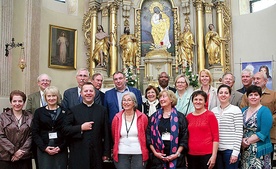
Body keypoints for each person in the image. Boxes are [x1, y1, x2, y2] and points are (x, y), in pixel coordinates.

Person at [62, 82, 110, 169]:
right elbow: (65, 129)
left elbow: (106, 132)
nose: (88, 93)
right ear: (81, 93)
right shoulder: (73, 110)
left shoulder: (102, 110)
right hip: (78, 152)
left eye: (91, 91)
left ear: (95, 93)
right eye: (86, 91)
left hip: (96, 152)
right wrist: (80, 127)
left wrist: (106, 152)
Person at [240, 72, 276, 167]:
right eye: (250, 95)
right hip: (245, 150)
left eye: (256, 95)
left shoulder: (265, 111)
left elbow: (264, 132)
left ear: (260, 97)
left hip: (259, 149)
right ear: (247, 97)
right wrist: (242, 141)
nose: (253, 97)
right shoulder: (243, 111)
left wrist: (248, 141)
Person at [146, 90, 188, 169]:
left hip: (177, 159)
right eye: (160, 97)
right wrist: (155, 153)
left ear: (171, 99)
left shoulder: (180, 117)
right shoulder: (153, 117)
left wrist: (176, 154)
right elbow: (148, 136)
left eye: (164, 96)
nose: (161, 99)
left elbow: (184, 138)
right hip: (157, 160)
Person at [32, 86, 68, 169]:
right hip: (44, 149)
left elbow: (68, 132)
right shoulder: (39, 112)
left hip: (60, 149)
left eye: (54, 95)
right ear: (45, 97)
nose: (51, 98)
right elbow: (35, 132)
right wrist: (44, 148)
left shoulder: (65, 112)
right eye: (49, 96)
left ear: (57, 97)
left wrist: (61, 147)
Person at [112, 92, 149, 169]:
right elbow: (114, 135)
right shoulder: (117, 118)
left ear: (134, 103)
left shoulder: (142, 117)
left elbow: (146, 133)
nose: (126, 102)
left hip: (138, 153)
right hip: (121, 153)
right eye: (124, 100)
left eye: (129, 100)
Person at [211, 84, 243, 169]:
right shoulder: (213, 111)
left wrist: (235, 152)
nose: (223, 95)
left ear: (229, 95)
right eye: (221, 93)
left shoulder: (235, 110)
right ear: (217, 95)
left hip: (230, 150)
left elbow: (239, 132)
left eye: (226, 93)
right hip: (217, 150)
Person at [186, 90, 219, 169]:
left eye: (200, 100)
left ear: (205, 102)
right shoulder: (188, 117)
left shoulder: (210, 115)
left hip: (207, 155)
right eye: (196, 99)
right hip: (191, 154)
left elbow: (216, 137)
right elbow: (186, 137)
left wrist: (214, 156)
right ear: (192, 101)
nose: (198, 102)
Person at [0, 90, 32, 169]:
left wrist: (21, 152)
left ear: (24, 103)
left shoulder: (30, 117)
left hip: (24, 158)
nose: (17, 104)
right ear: (11, 102)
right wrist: (14, 151)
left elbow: (31, 136)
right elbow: (1, 136)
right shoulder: (3, 117)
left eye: (20, 101)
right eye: (14, 101)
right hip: (6, 157)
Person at [25, 73, 52, 169]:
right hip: (37, 132)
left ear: (50, 83)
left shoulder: (56, 95)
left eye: (47, 80)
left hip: (52, 132)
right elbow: (28, 113)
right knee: (39, 159)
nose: (45, 82)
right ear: (38, 83)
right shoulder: (32, 97)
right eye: (42, 80)